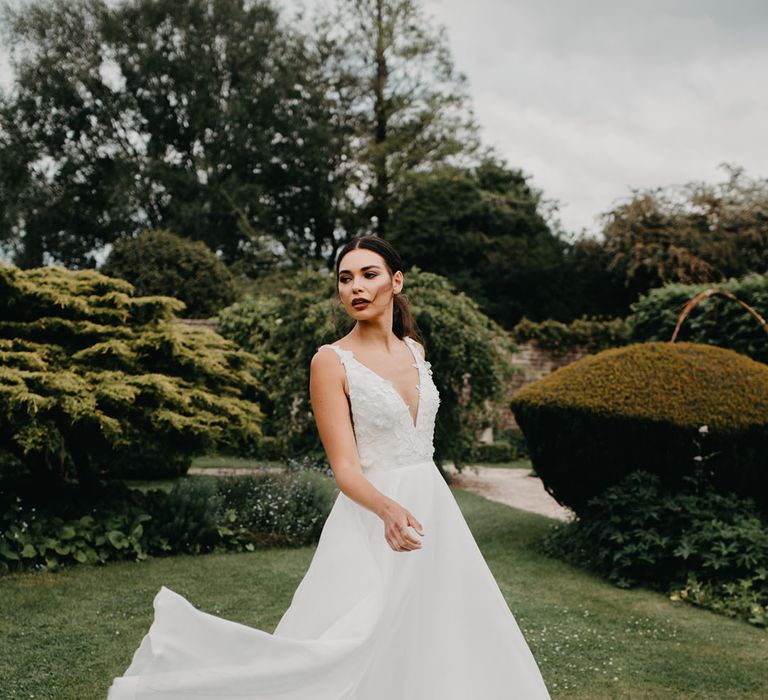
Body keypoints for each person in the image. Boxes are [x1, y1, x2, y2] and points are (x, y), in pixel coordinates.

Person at [107, 235, 551, 699]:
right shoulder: (330, 361)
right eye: (345, 278)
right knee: (354, 640)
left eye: (369, 274)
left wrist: (411, 507)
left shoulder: (415, 352)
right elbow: (345, 469)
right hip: (372, 515)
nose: (356, 287)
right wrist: (388, 511)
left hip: (434, 510)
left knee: (441, 629)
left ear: (396, 282)